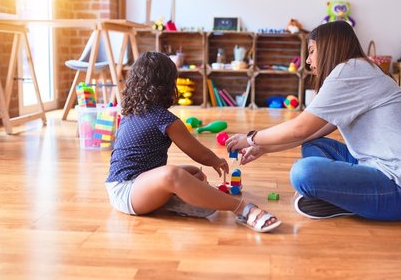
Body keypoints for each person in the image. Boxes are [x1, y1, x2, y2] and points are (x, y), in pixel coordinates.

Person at [226, 21, 401, 221]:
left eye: (311, 51)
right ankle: (348, 200)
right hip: (380, 170)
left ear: (328, 48)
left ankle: (348, 201)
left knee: (303, 172)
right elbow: (311, 132)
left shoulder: (349, 72)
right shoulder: (360, 69)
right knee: (314, 146)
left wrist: (251, 138)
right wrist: (265, 147)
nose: (308, 60)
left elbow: (300, 128)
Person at [105, 52, 281, 233]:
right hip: (126, 192)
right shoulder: (164, 119)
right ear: (167, 84)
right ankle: (242, 208)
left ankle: (177, 202)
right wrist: (215, 160)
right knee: (173, 174)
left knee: (193, 173)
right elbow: (199, 153)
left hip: (136, 184)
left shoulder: (130, 112)